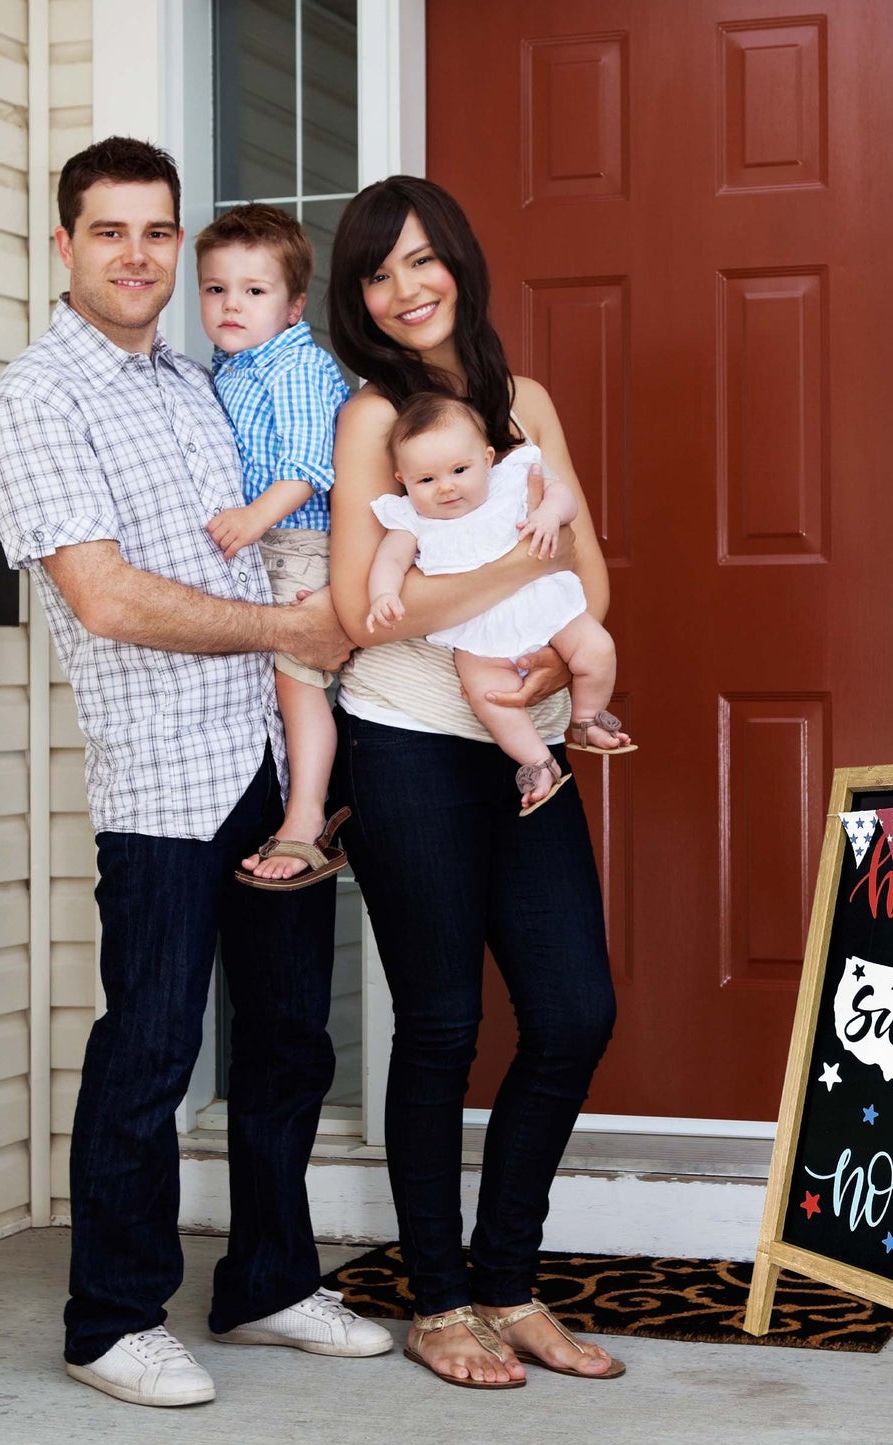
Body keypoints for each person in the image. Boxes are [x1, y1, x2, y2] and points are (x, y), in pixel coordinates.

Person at [0, 136, 391, 1410]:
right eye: (110, 231)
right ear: (64, 245)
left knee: (283, 1042)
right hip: (160, 778)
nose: (139, 255)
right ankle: (110, 1317)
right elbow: (101, 597)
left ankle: (268, 1280)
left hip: (270, 766)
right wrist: (290, 629)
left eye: (158, 231)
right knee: (151, 1047)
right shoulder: (38, 398)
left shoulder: (199, 380)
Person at [325, 174, 624, 1388]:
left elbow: (591, 582)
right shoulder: (370, 420)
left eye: (419, 260)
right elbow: (360, 611)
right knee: (442, 1022)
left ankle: (509, 1279)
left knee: (571, 1012)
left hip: (528, 744)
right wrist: (510, 573)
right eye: (376, 273)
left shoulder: (526, 403)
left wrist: (547, 649)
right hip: (403, 744)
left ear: (458, 259)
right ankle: (439, 1299)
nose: (403, 289)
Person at [368, 392, 634, 812]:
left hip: (544, 610)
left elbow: (564, 498)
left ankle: (585, 720)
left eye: (459, 469)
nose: (447, 486)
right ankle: (537, 760)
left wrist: (549, 515)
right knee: (489, 695)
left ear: (487, 458)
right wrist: (383, 593)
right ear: (403, 479)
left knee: (598, 648)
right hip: (477, 633)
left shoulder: (511, 482)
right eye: (426, 480)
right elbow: (390, 559)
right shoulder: (410, 519)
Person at [195, 204, 351, 885]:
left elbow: (309, 463)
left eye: (254, 292)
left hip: (294, 540)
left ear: (292, 308)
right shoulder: (228, 366)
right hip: (262, 543)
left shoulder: (295, 367)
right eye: (216, 288)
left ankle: (309, 811)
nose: (232, 304)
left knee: (297, 681)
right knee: (272, 679)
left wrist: (253, 519)